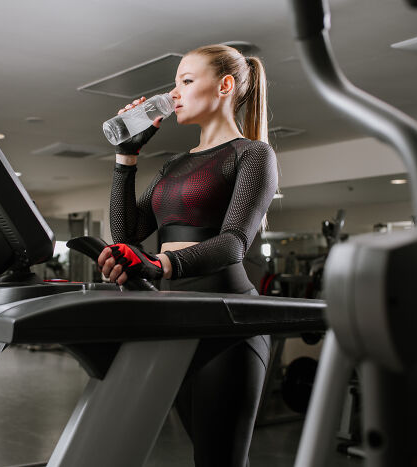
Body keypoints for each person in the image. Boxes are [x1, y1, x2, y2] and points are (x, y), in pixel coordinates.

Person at [98, 44, 278, 466]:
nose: (174, 93)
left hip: (226, 317)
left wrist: (160, 264)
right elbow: (127, 234)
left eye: (186, 81)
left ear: (225, 85)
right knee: (201, 453)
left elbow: (234, 242)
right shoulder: (174, 164)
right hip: (176, 314)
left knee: (221, 458)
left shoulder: (252, 155)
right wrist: (126, 156)